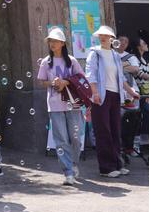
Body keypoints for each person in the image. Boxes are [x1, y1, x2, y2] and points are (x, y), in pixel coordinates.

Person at [85, 25, 140, 178]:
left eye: (106, 35)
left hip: (115, 96)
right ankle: (106, 168)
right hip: (100, 96)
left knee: (115, 129)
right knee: (103, 131)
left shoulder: (115, 55)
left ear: (111, 39)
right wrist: (94, 92)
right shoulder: (94, 53)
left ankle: (117, 163)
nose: (103, 37)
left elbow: (121, 78)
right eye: (100, 35)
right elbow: (91, 75)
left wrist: (131, 92)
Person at [37, 27, 84, 186]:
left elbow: (81, 78)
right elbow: (42, 81)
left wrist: (67, 82)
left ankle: (75, 163)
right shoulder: (45, 62)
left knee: (75, 138)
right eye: (50, 41)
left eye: (56, 41)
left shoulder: (72, 61)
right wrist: (52, 82)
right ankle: (68, 172)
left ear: (63, 43)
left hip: (73, 104)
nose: (52, 43)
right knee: (61, 139)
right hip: (55, 105)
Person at [129, 37, 149, 155]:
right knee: (139, 119)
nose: (146, 44)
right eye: (143, 43)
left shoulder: (145, 59)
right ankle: (136, 145)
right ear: (138, 46)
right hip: (140, 94)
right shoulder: (133, 59)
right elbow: (139, 73)